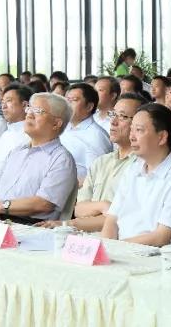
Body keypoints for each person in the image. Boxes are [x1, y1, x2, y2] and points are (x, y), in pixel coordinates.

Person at [102, 103, 171, 248]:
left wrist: (116, 247)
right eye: (132, 129)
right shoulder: (133, 168)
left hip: (156, 257)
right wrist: (106, 247)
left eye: (139, 130)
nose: (132, 137)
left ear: (161, 137)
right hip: (121, 251)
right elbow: (111, 219)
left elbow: (161, 237)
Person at [38, 93, 142, 232]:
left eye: (122, 116)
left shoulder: (142, 166)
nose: (113, 122)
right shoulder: (102, 162)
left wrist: (66, 225)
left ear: (140, 124)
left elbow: (120, 217)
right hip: (83, 235)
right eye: (113, 114)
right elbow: (79, 209)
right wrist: (103, 205)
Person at [0, 92, 77, 223]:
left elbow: (44, 204)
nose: (29, 114)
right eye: (29, 109)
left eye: (38, 111)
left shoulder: (61, 159)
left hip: (27, 225)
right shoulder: (17, 151)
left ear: (56, 123)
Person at [60, 83, 113, 182]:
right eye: (67, 100)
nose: (67, 105)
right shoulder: (63, 128)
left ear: (89, 107)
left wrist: (66, 184)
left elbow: (97, 178)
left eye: (74, 100)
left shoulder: (96, 136)